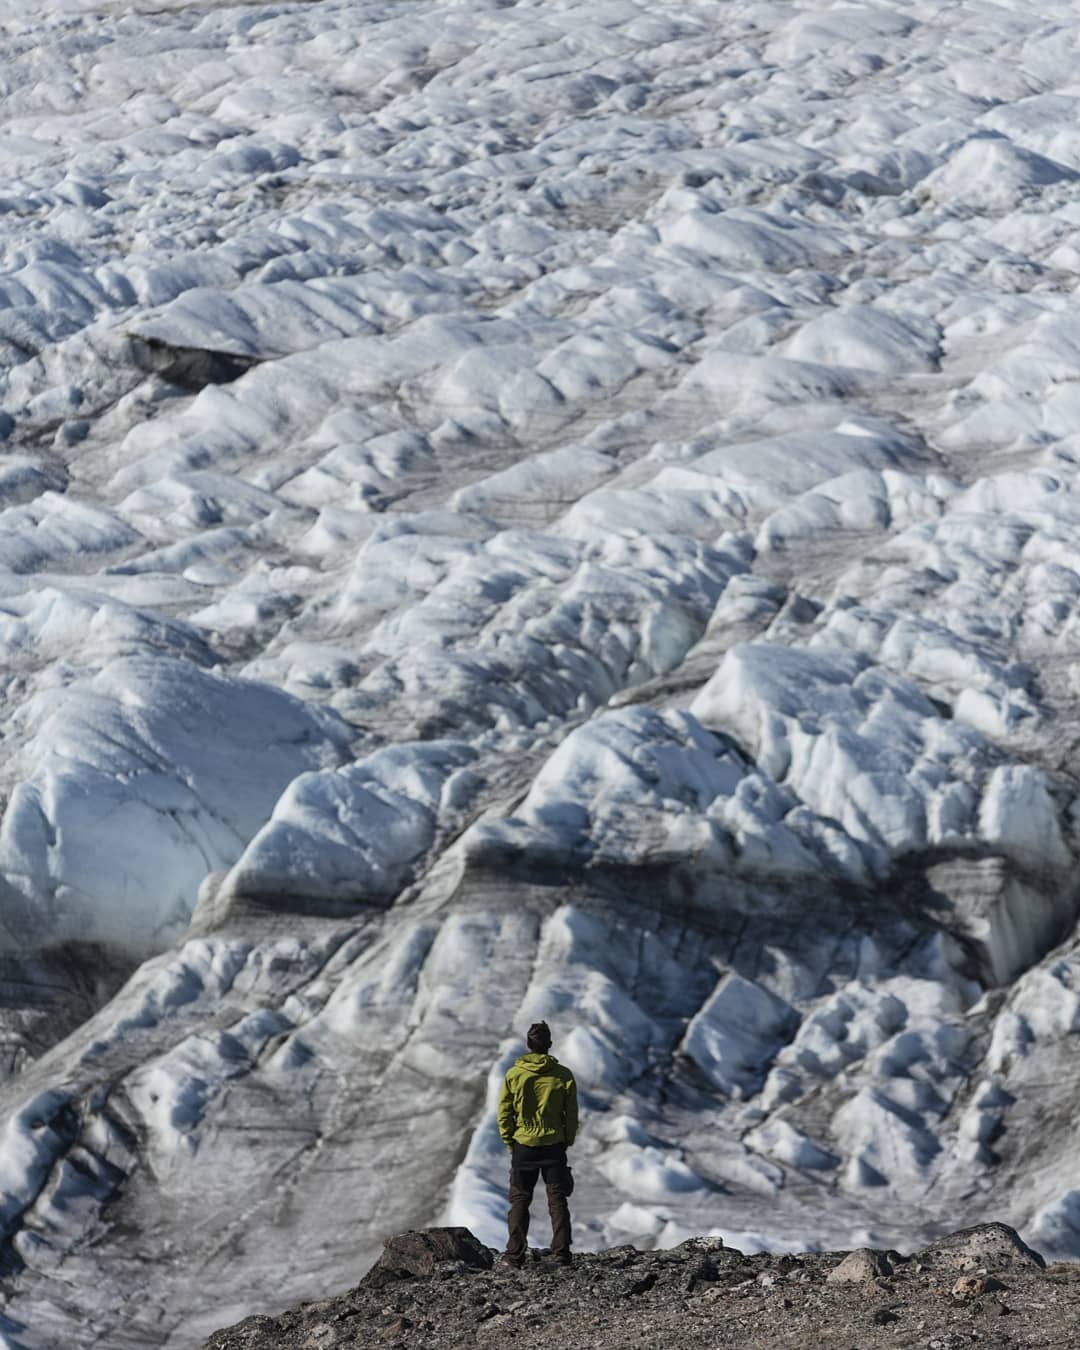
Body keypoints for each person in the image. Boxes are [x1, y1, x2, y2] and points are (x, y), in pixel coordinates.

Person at [496, 1020, 578, 1268]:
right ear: (549, 1045)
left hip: (524, 1146)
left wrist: (511, 1141)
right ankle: (562, 1254)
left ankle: (514, 1256)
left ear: (528, 1045)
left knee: (520, 1199)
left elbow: (504, 1113)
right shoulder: (563, 1075)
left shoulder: (514, 1074)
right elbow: (571, 1115)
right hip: (554, 1145)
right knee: (557, 1200)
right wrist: (566, 1140)